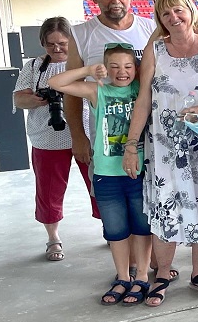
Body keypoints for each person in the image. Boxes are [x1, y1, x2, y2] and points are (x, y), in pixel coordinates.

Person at [122, 0, 198, 306]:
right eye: (165, 13)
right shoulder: (156, 50)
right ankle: (162, 273)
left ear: (191, 11)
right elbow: (144, 99)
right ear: (160, 20)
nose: (174, 17)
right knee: (166, 208)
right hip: (165, 149)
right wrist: (132, 144)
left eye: (178, 10)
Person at [51, 44, 152, 305]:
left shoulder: (141, 89)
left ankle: (142, 275)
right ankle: (123, 277)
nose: (122, 72)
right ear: (105, 69)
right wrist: (87, 69)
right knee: (115, 229)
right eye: (114, 67)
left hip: (139, 171)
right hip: (107, 174)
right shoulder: (98, 91)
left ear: (136, 69)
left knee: (142, 226)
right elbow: (56, 83)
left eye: (128, 66)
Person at [64, 0, 155, 218]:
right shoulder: (82, 34)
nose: (116, 0)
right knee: (114, 211)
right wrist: (77, 135)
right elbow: (72, 91)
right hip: (107, 141)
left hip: (150, 137)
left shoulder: (150, 29)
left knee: (148, 209)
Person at [13, 17, 97, 261]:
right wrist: (35, 100)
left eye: (62, 43)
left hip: (85, 134)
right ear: (42, 43)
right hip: (46, 138)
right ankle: (53, 238)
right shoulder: (32, 67)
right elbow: (18, 99)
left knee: (99, 184)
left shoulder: (84, 64)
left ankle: (110, 230)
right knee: (49, 190)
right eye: (51, 44)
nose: (57, 48)